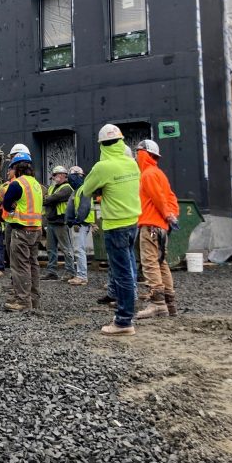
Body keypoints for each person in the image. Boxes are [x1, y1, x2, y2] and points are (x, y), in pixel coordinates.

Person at [82, 124, 141, 336]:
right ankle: (129, 305)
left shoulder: (103, 167)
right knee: (129, 267)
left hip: (115, 225)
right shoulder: (132, 164)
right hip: (133, 222)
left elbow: (86, 190)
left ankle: (124, 321)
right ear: (121, 141)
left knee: (121, 272)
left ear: (101, 145)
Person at [134, 140, 180, 319]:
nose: (137, 157)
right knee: (161, 263)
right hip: (161, 226)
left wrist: (167, 214)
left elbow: (159, 198)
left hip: (150, 225)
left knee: (150, 263)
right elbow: (170, 197)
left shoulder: (148, 175)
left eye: (138, 153)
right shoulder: (159, 174)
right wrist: (171, 216)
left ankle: (158, 304)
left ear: (144, 154)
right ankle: (170, 304)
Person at [2, 153, 43, 311]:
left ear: (16, 168)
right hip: (36, 230)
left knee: (20, 267)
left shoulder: (17, 184)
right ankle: (34, 300)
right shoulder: (36, 184)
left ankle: (23, 302)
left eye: (11, 168)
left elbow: (6, 205)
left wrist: (13, 208)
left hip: (22, 230)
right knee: (33, 265)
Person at [43, 165, 75, 281]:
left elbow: (52, 198)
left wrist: (46, 200)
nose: (54, 177)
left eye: (55, 175)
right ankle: (52, 272)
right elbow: (49, 198)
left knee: (66, 248)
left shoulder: (67, 188)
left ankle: (70, 271)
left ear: (62, 175)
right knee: (51, 249)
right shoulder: (53, 188)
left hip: (61, 222)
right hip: (52, 221)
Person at [65, 166, 94, 287]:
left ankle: (82, 276)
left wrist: (77, 220)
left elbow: (84, 207)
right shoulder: (77, 190)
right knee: (78, 249)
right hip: (79, 223)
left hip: (81, 224)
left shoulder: (83, 189)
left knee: (79, 249)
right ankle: (81, 274)